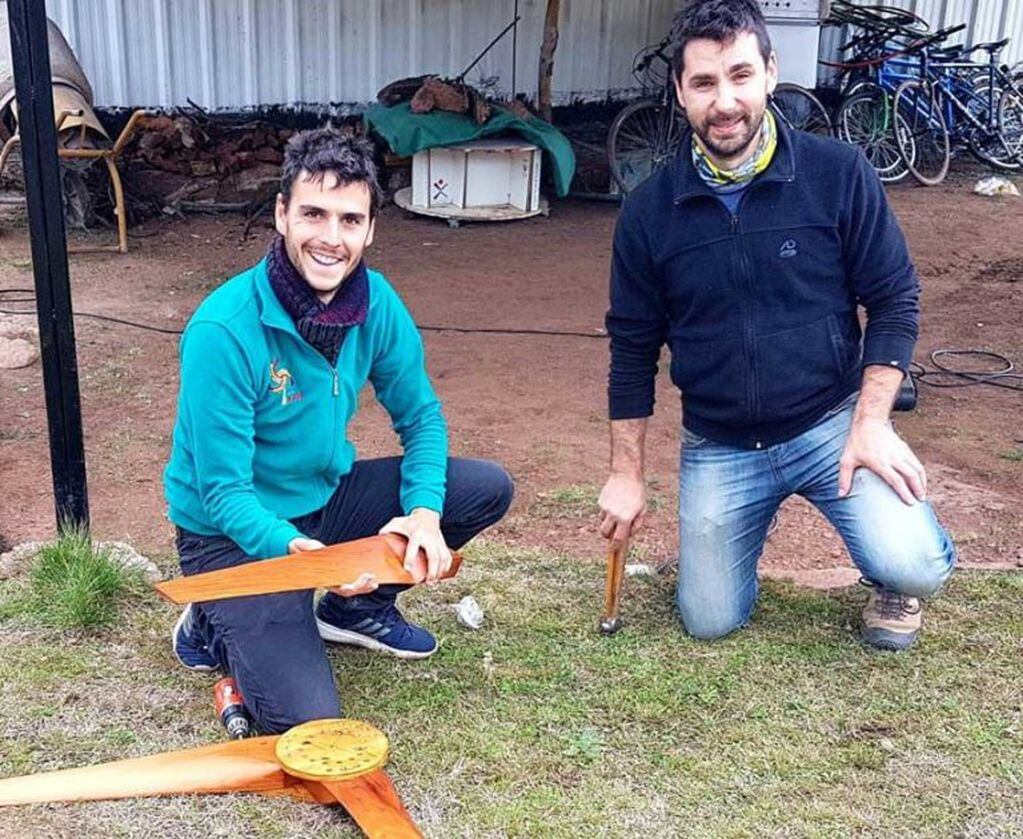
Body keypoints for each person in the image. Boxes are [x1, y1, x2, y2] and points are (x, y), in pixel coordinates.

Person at [598, 0, 955, 651]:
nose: (724, 101)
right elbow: (631, 350)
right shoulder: (648, 212)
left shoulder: (837, 174)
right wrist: (626, 471)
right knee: (708, 618)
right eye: (704, 83)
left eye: (739, 75)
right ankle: (721, 553)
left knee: (913, 563)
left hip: (832, 424)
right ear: (679, 93)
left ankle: (892, 576)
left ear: (769, 71)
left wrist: (870, 422)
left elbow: (894, 298)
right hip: (721, 443)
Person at [163, 127, 513, 733]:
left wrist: (425, 514)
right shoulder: (223, 329)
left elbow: (422, 418)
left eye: (350, 220)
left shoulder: (375, 302)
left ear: (371, 229)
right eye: (313, 214)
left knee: (484, 486)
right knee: (308, 724)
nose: (331, 238)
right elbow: (221, 491)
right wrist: (303, 558)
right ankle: (209, 613)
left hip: (325, 499)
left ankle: (356, 613)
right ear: (281, 214)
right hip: (229, 533)